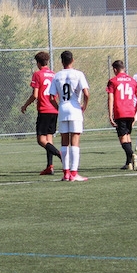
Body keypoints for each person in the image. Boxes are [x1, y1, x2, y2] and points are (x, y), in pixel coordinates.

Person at [48, 50, 91, 181]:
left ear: (62, 61)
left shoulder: (57, 76)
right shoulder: (78, 74)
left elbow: (51, 97)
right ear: (72, 60)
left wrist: (59, 108)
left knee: (64, 141)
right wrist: (84, 106)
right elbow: (86, 93)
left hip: (63, 108)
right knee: (75, 140)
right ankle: (74, 173)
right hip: (75, 108)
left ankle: (66, 173)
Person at [20, 50, 63, 175]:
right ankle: (50, 166)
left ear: (38, 63)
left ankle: (60, 154)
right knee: (49, 139)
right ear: (47, 62)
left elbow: (35, 95)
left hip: (44, 109)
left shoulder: (37, 74)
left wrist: (25, 105)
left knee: (41, 140)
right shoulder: (54, 75)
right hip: (54, 109)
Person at [106, 60, 137, 171]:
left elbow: (110, 98)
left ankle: (132, 154)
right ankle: (128, 163)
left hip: (120, 111)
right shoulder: (132, 80)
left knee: (122, 138)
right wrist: (135, 112)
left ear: (115, 70)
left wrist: (110, 115)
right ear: (124, 68)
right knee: (127, 136)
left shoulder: (113, 81)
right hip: (130, 111)